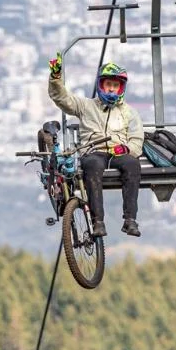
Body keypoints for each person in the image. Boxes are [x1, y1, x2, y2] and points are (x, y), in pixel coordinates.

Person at [48, 54, 143, 238]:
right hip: (94, 151)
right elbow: (62, 98)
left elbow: (137, 139)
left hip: (118, 151)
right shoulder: (86, 106)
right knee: (92, 166)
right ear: (101, 85)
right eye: (109, 85)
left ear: (121, 89)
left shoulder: (129, 112)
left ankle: (130, 219)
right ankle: (97, 221)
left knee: (132, 164)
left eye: (116, 86)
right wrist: (55, 78)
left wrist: (127, 149)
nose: (112, 90)